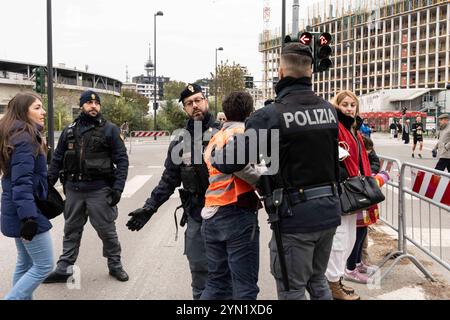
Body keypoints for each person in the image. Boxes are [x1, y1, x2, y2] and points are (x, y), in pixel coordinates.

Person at [211, 42, 341, 300]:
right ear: (310, 72)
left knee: (292, 289)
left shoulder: (270, 115)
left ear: (280, 73)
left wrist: (223, 146)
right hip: (329, 210)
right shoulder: (328, 110)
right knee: (318, 281)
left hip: (296, 218)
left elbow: (227, 161)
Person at [126, 83, 221, 300]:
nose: (195, 105)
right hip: (196, 215)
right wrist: (149, 208)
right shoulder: (180, 141)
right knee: (199, 274)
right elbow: (168, 180)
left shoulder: (223, 134)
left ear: (205, 100)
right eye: (189, 103)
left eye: (198, 100)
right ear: (184, 109)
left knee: (227, 277)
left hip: (225, 216)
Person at [44, 90, 129, 283]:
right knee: (71, 229)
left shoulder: (110, 129)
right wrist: (48, 183)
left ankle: (115, 265)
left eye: (97, 104)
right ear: (82, 105)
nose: (94, 106)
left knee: (106, 230)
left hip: (99, 190)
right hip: (74, 190)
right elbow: (57, 159)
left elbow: (122, 160)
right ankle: (64, 267)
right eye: (89, 103)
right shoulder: (69, 131)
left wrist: (118, 188)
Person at [201, 91, 261, 300]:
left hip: (211, 213)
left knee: (217, 282)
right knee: (245, 286)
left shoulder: (215, 137)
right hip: (236, 209)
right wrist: (263, 182)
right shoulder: (243, 133)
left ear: (225, 113)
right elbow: (241, 167)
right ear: (250, 112)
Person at [0, 92, 54, 299]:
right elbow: (21, 183)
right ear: (24, 111)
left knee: (25, 263)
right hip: (25, 210)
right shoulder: (24, 137)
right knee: (44, 264)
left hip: (18, 207)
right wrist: (29, 218)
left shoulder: (16, 133)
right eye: (37, 107)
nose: (43, 112)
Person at [325, 90, 371, 300]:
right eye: (345, 104)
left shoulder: (353, 128)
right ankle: (332, 283)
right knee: (340, 238)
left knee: (351, 237)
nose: (349, 108)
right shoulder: (335, 126)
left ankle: (338, 279)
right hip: (344, 190)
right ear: (337, 105)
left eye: (353, 105)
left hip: (355, 190)